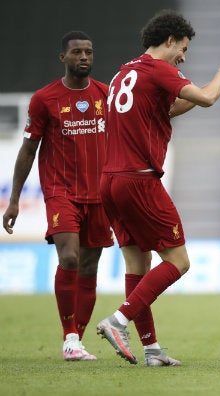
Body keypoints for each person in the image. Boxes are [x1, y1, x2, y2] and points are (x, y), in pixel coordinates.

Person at [95, 9, 220, 365]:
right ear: (170, 40)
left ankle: (151, 350)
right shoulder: (161, 69)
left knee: (137, 263)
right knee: (178, 261)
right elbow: (208, 98)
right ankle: (118, 320)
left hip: (111, 181)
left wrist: (189, 93)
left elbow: (165, 109)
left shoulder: (124, 72)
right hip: (139, 180)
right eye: (183, 48)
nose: (183, 57)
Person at [2, 31, 113, 361]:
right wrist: (13, 200)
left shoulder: (106, 95)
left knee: (90, 269)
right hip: (61, 192)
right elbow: (27, 150)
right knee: (69, 259)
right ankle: (69, 337)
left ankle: (76, 339)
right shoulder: (44, 99)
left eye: (89, 52)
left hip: (100, 195)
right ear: (62, 58)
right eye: (77, 52)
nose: (84, 57)